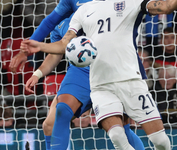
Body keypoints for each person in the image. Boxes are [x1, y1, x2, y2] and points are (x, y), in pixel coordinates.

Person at [20, 0, 177, 149]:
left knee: (151, 138)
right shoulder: (79, 12)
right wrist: (40, 50)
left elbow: (166, 6)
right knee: (111, 134)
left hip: (125, 74)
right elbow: (62, 43)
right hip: (93, 79)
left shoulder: (129, 3)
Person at [24, 16, 145, 150]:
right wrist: (37, 74)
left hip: (107, 71)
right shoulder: (59, 21)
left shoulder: (97, 10)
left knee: (120, 128)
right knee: (50, 124)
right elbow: (55, 54)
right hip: (79, 74)